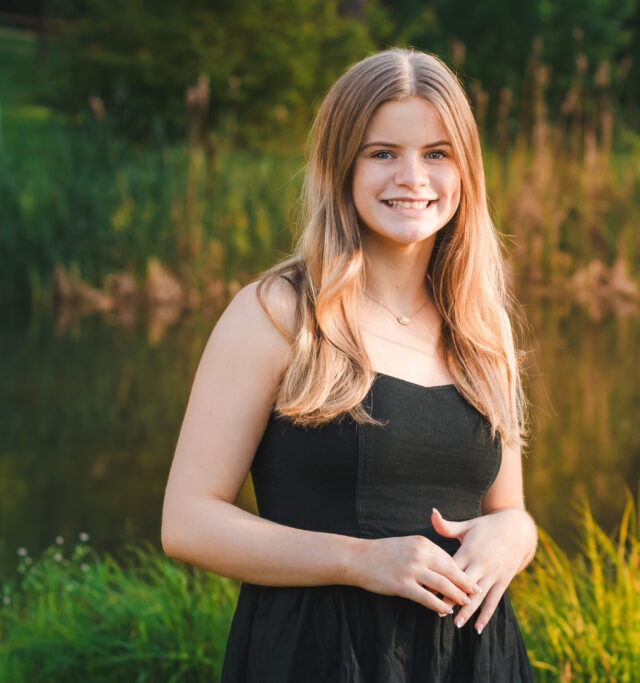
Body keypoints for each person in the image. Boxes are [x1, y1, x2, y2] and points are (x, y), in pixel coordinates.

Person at [161, 48, 538, 682]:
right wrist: (359, 560)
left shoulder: (482, 324)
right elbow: (188, 522)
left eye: (437, 153)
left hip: (470, 659)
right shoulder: (278, 312)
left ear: (466, 170)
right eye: (382, 152)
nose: (412, 177)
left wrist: (516, 538)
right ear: (342, 166)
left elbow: (509, 509)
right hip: (322, 656)